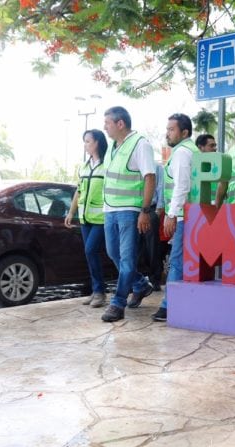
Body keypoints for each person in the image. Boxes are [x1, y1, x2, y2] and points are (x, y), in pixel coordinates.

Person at [100, 106, 157, 322]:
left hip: (129, 211)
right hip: (110, 209)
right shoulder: (113, 146)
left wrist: (145, 211)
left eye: (107, 123)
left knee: (127, 259)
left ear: (120, 123)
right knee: (113, 253)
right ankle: (140, 285)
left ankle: (118, 303)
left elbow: (150, 177)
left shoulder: (140, 144)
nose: (104, 127)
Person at [152, 113, 198, 322]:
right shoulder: (191, 150)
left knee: (176, 260)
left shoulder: (181, 153)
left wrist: (171, 214)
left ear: (184, 132)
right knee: (183, 259)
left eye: (171, 129)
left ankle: (168, 305)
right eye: (167, 129)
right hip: (190, 213)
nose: (167, 133)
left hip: (182, 215)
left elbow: (181, 186)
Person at [65, 129, 108, 308]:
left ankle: (100, 292)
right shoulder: (84, 166)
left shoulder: (107, 165)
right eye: (84, 141)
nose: (85, 145)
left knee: (91, 251)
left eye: (88, 141)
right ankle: (96, 290)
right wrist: (71, 212)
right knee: (90, 254)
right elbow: (79, 190)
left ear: (97, 142)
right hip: (85, 218)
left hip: (101, 218)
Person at [136, 162, 164, 291]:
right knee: (136, 247)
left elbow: (161, 187)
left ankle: (155, 279)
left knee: (152, 247)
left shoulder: (156, 166)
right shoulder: (132, 165)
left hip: (150, 210)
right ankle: (138, 281)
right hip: (133, 209)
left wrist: (158, 210)